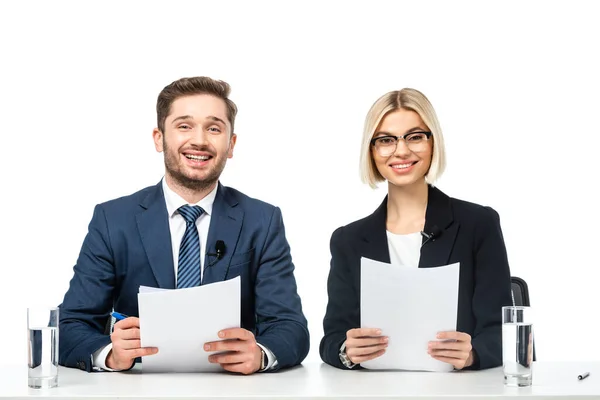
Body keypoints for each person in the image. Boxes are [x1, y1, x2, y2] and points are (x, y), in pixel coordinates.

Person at [59, 76, 309, 374]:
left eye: (214, 128)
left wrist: (261, 354)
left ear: (231, 144)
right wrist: (111, 353)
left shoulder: (262, 220)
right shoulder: (113, 220)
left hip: (233, 389)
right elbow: (70, 326)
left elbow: (291, 328)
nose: (200, 140)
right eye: (184, 126)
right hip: (138, 389)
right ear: (159, 138)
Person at [319, 88, 512, 371]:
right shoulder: (348, 240)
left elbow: (504, 333)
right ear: (372, 151)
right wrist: (347, 351)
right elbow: (332, 339)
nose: (401, 150)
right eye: (386, 140)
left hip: (458, 391)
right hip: (377, 391)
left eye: (415, 136)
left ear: (433, 143)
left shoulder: (477, 224)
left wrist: (473, 354)